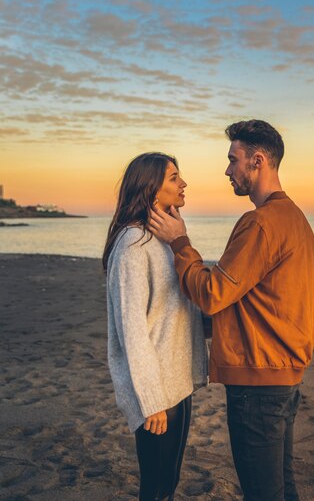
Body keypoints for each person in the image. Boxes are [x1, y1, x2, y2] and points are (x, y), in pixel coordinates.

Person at [148, 120, 314, 501]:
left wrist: (180, 244)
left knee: (264, 494)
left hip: (259, 383)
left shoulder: (260, 223)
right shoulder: (297, 219)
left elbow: (212, 293)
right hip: (284, 377)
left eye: (233, 160)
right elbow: (257, 301)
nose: (227, 170)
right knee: (281, 489)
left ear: (257, 161)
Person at [103, 152, 208, 501]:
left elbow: (182, 308)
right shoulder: (133, 245)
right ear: (150, 189)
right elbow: (132, 331)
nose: (183, 184)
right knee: (155, 487)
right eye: (174, 178)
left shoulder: (164, 240)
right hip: (157, 393)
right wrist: (151, 401)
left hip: (177, 384)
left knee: (169, 483)